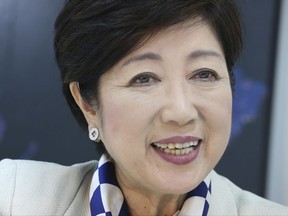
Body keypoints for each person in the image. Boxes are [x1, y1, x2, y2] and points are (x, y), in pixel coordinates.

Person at [1, 0, 288, 215]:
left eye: (204, 74)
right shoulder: (15, 197)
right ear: (87, 104)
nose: (181, 111)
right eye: (144, 78)